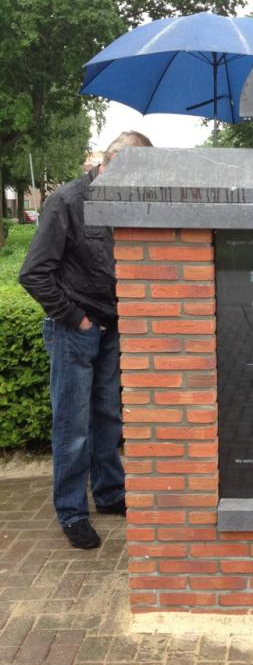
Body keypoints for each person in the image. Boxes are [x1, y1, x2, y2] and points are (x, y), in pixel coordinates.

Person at [19, 131, 153, 549]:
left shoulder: (124, 202)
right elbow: (34, 274)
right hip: (75, 329)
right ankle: (73, 512)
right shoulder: (66, 202)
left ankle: (110, 494)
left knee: (107, 417)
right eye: (137, 174)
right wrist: (76, 320)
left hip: (113, 327)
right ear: (111, 163)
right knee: (72, 426)